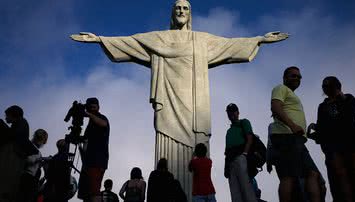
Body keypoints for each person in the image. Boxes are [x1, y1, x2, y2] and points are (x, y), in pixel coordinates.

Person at [70, 0, 289, 198]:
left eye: (185, 8)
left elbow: (230, 45)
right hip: (169, 104)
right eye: (177, 8)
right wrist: (100, 39)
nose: (181, 11)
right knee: (169, 150)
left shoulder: (201, 40)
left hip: (195, 107)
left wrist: (258, 40)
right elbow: (132, 43)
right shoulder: (159, 39)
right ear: (172, 14)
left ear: (190, 14)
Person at [270, 66, 321, 202]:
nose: (297, 78)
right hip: (286, 137)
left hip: (296, 139)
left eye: (299, 77)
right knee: (288, 176)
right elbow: (275, 107)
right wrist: (292, 126)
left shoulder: (292, 95)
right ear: (285, 78)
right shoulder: (281, 88)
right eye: (293, 76)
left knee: (312, 173)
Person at [307, 76, 355, 202]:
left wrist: (342, 97)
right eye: (325, 86)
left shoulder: (348, 98)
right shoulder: (323, 106)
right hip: (333, 147)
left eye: (330, 85)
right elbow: (322, 128)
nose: (327, 88)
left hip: (353, 143)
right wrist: (313, 130)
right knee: (341, 177)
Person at [78, 97, 110, 202]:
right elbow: (86, 142)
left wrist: (89, 114)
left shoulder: (101, 118)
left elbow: (103, 123)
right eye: (90, 108)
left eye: (94, 107)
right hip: (88, 162)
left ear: (98, 107)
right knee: (86, 193)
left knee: (94, 191)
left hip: (97, 161)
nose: (92, 109)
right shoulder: (90, 125)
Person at [224, 103, 257, 202]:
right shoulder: (228, 131)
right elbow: (227, 150)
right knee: (235, 194)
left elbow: (250, 138)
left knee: (246, 189)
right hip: (230, 162)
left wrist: (245, 154)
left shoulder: (244, 122)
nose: (231, 114)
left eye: (233, 111)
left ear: (238, 112)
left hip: (241, 158)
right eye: (229, 112)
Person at [0, 105, 30, 202]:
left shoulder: (22, 123)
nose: (6, 118)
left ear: (13, 114)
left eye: (7, 115)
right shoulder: (20, 123)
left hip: (12, 160)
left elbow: (12, 136)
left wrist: (2, 125)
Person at [16, 129, 48, 202]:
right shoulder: (34, 150)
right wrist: (39, 159)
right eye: (42, 140)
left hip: (27, 178)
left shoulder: (33, 148)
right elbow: (27, 160)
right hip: (27, 178)